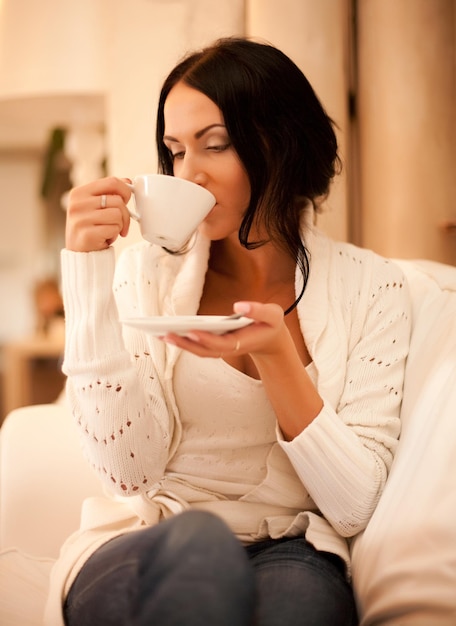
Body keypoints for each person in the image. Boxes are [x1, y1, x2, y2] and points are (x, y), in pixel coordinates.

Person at [45, 37, 412, 626]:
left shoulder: (374, 288)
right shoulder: (144, 276)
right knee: (201, 548)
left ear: (284, 145)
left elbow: (352, 507)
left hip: (289, 547)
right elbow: (127, 473)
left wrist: (276, 357)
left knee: (305, 607)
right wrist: (87, 274)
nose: (189, 174)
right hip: (151, 537)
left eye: (215, 145)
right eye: (175, 151)